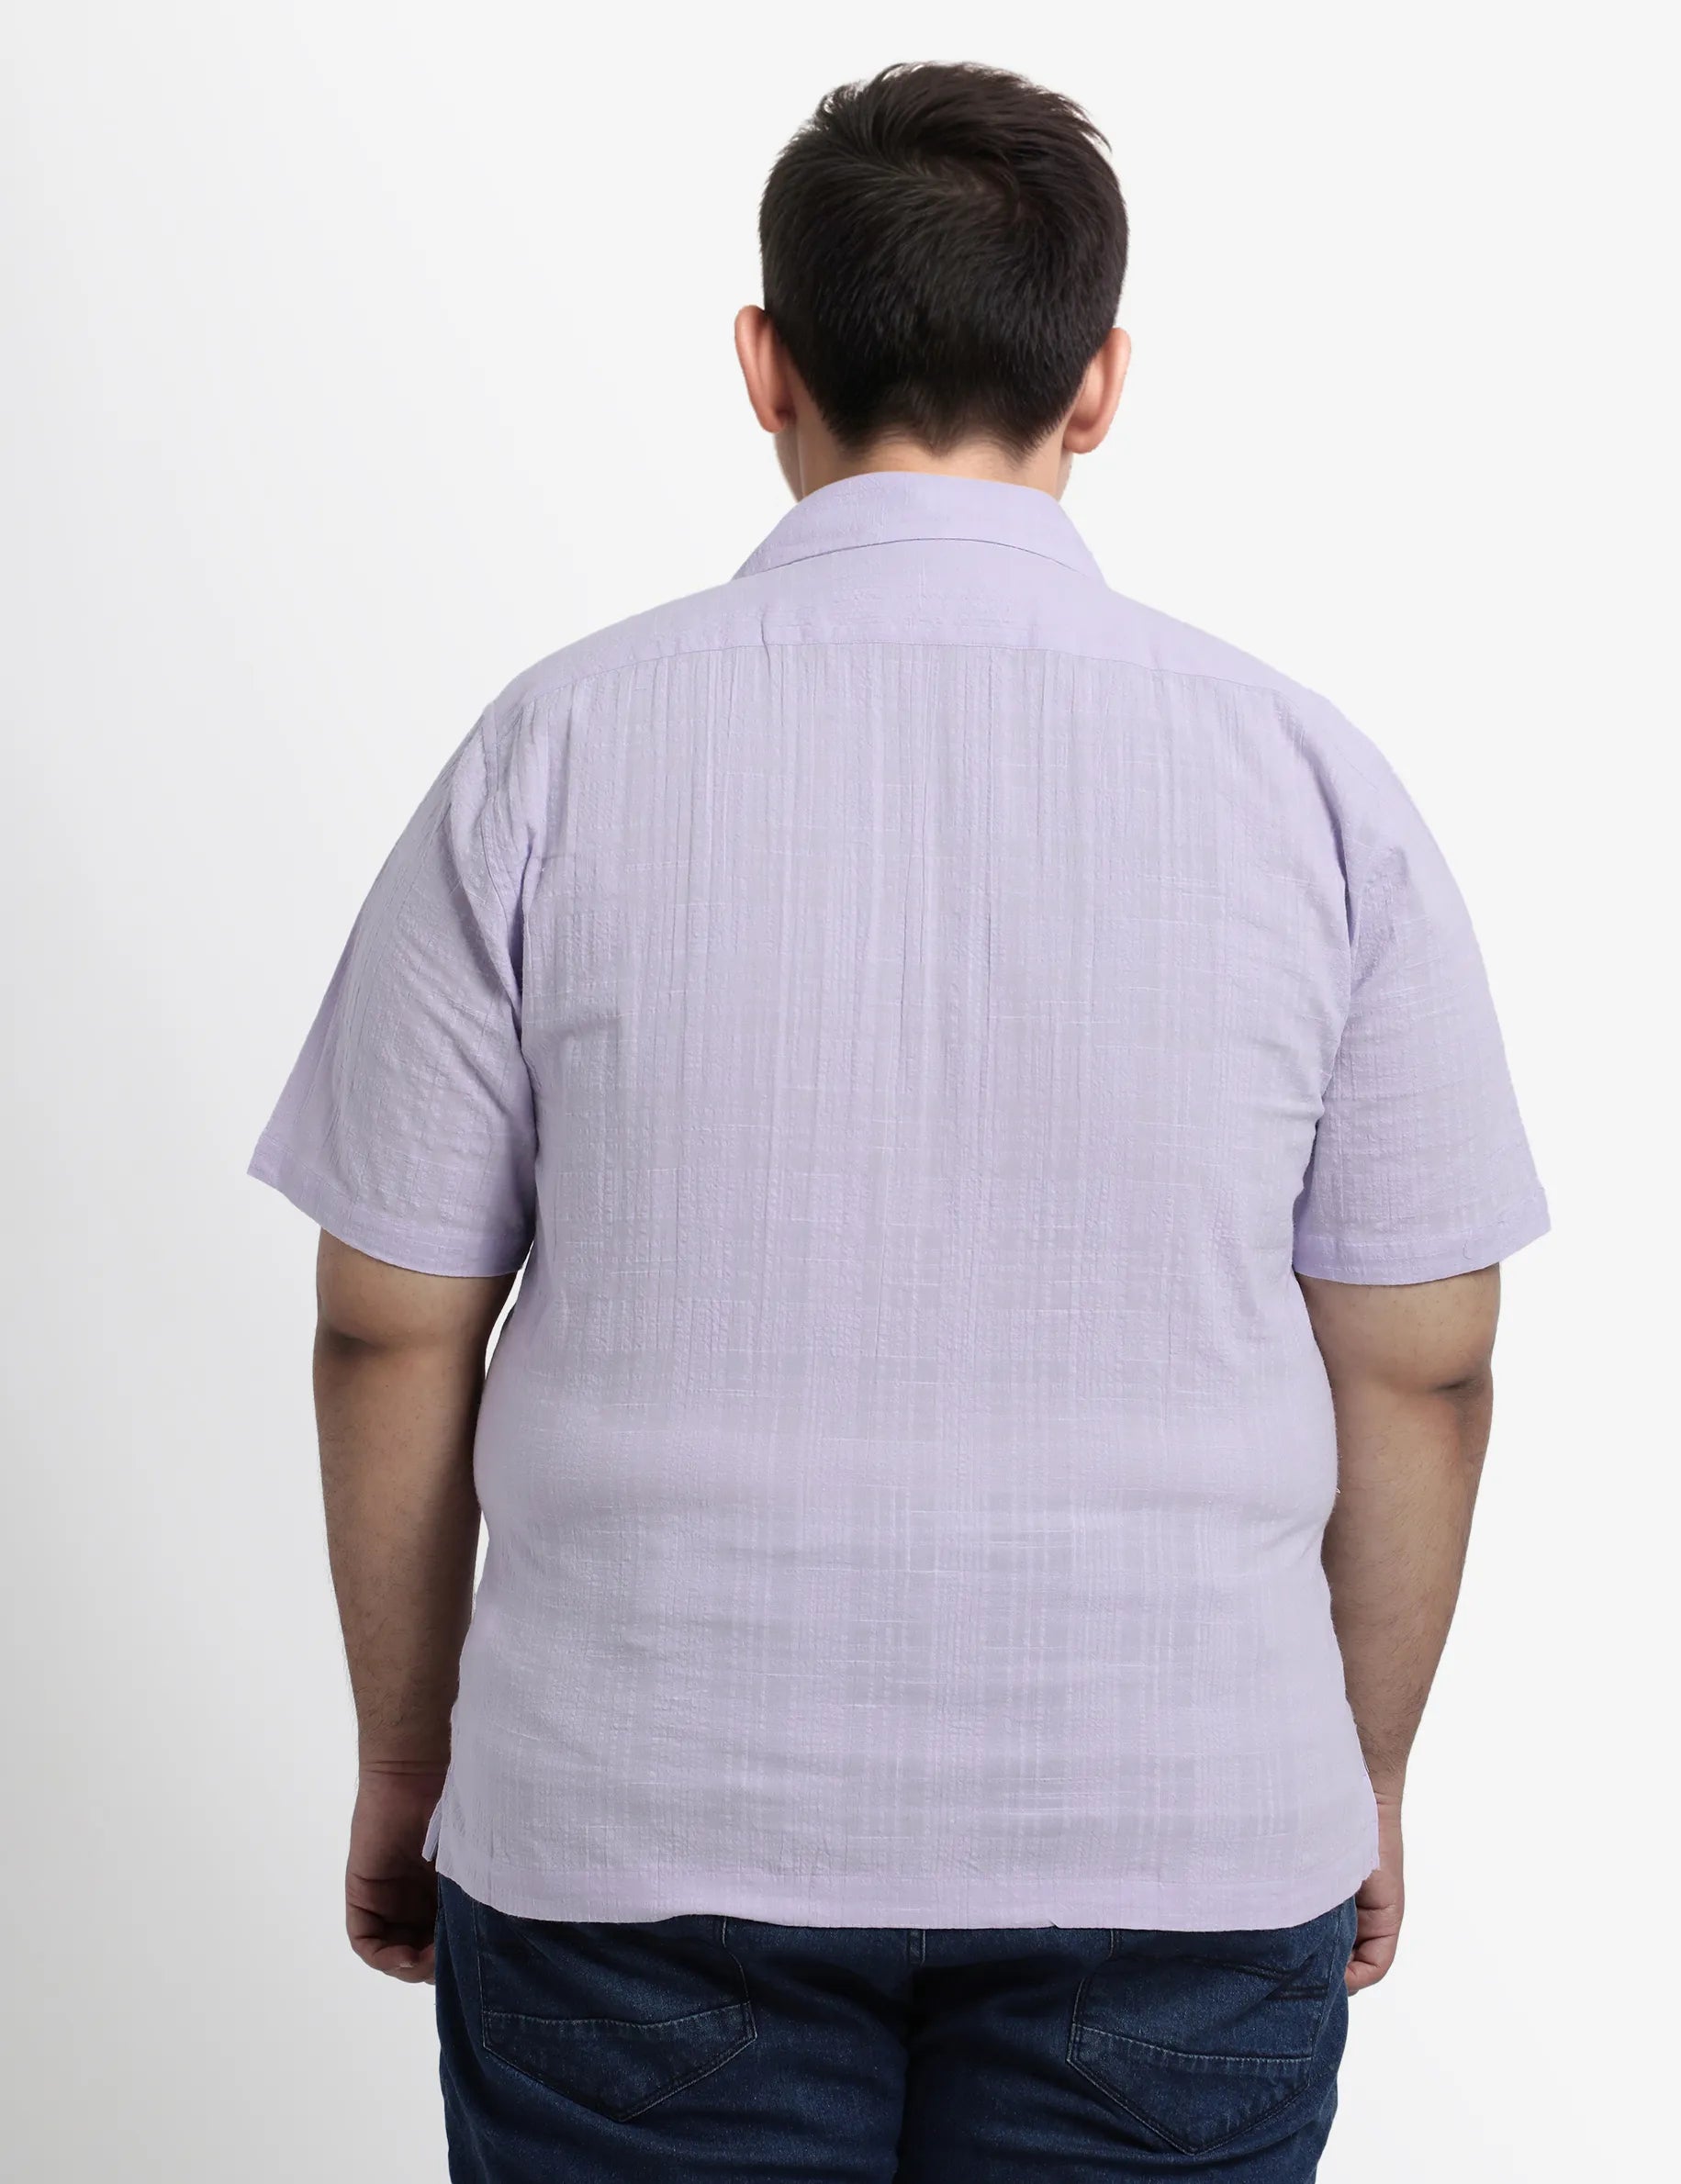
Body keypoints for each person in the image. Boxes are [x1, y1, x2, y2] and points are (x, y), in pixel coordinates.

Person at [247, 59, 1549, 2184]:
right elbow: (1425, 1359)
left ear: (765, 364)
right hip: (1186, 1840)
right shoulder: (1311, 784)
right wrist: (1358, 1768)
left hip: (632, 1833)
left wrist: (411, 1751)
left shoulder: (554, 751)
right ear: (1098, 383)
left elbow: (391, 1317)